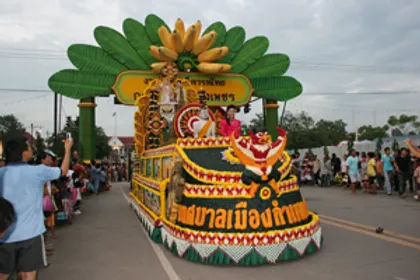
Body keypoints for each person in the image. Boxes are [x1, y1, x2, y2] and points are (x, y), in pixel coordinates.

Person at [0, 137, 72, 280]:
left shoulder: (2, 174)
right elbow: (63, 171)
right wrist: (67, 150)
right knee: (28, 275)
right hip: (30, 235)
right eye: (28, 147)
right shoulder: (38, 171)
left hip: (4, 235)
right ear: (23, 153)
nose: (31, 149)